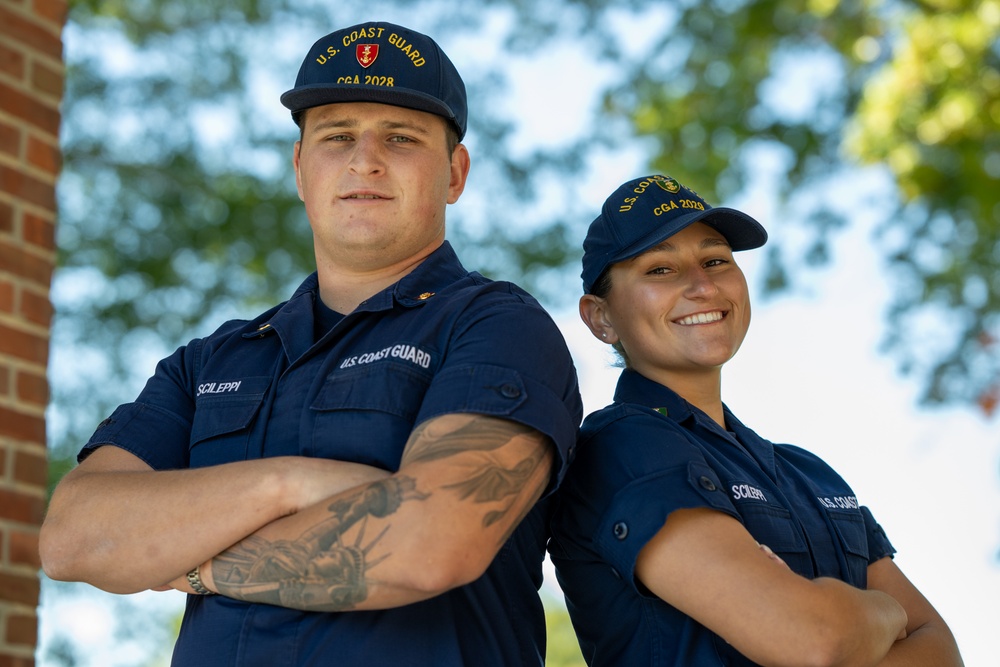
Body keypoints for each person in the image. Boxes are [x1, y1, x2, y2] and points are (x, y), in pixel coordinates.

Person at [40, 21, 582, 667]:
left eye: (401, 137)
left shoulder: (496, 326)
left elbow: (430, 544)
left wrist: (192, 564)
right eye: (337, 136)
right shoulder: (210, 361)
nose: (365, 160)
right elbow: (73, 538)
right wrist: (285, 483)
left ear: (455, 174)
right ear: (300, 169)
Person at [548, 174, 964, 666]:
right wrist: (888, 612)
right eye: (660, 269)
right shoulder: (620, 447)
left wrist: (836, 622)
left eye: (715, 261)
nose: (703, 285)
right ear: (601, 318)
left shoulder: (810, 472)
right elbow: (812, 639)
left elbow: (942, 651)